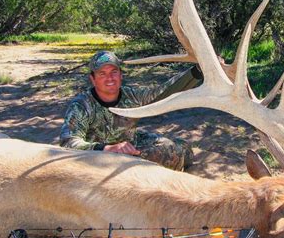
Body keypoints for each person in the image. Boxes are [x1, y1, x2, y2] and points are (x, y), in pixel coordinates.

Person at [60, 50, 202, 171]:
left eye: (114, 72)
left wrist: (197, 72)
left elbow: (162, 93)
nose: (109, 78)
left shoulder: (131, 95)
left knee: (182, 149)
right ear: (93, 79)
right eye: (102, 74)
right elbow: (68, 143)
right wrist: (106, 148)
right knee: (171, 155)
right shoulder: (81, 105)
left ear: (121, 75)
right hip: (98, 157)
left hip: (129, 143)